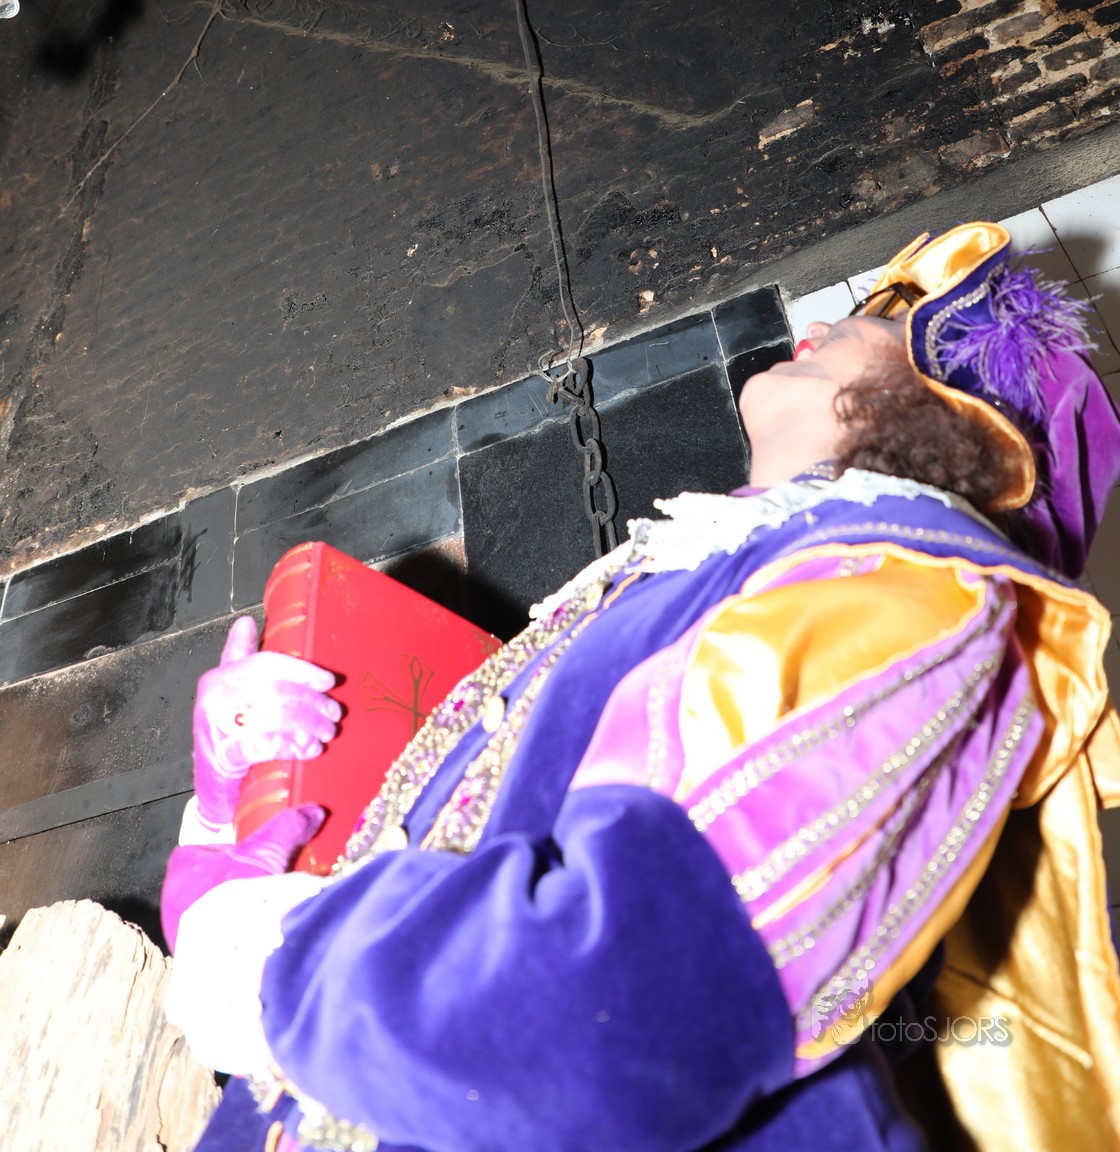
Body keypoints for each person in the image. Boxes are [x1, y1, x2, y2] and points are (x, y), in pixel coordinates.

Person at [163, 221, 1120, 1152]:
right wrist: (230, 823)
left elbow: (610, 1012)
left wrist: (265, 967)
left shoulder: (909, 595)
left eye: (878, 319)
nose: (822, 324)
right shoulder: (720, 580)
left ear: (963, 414)